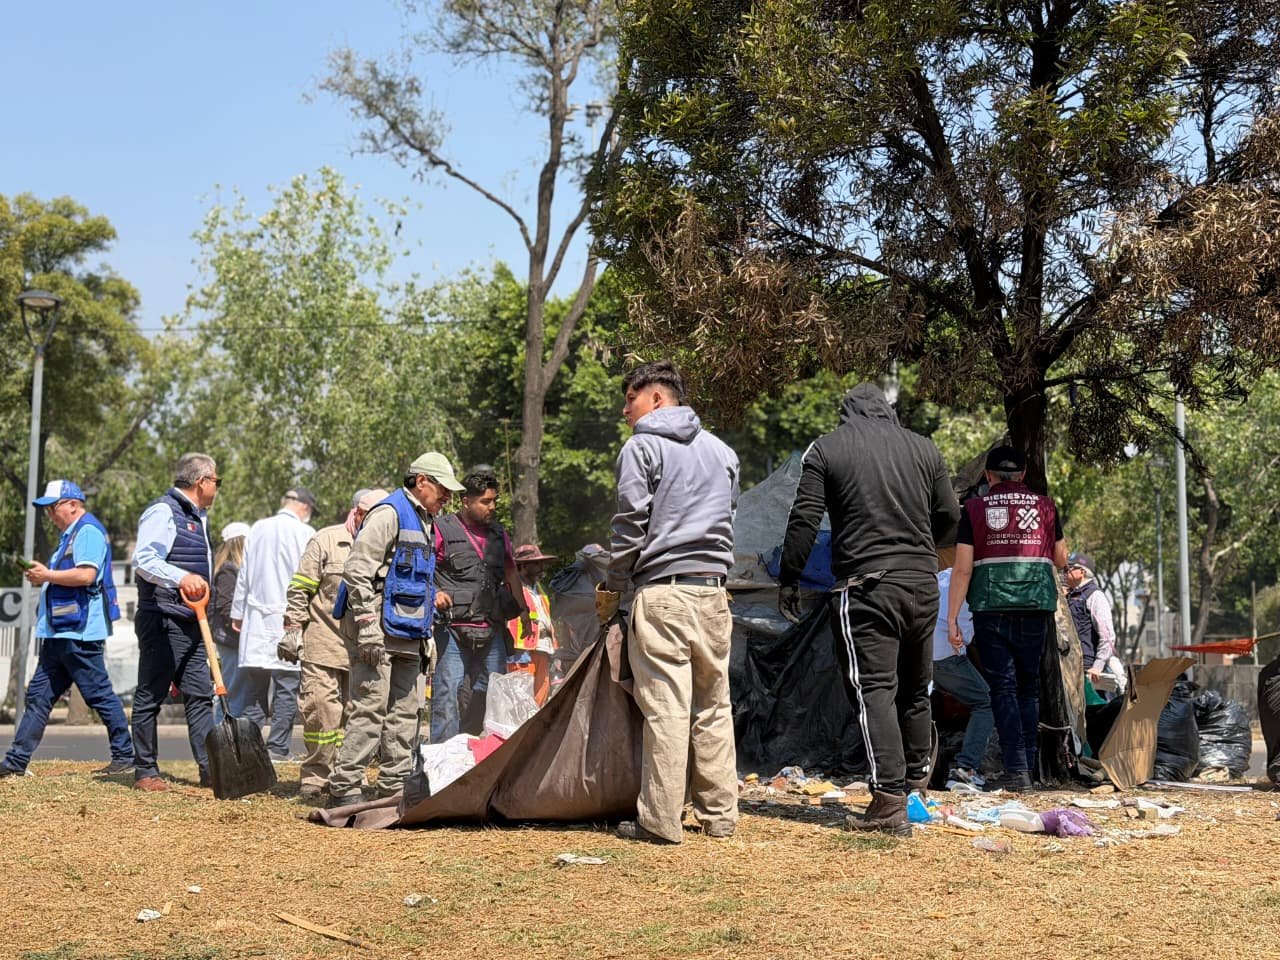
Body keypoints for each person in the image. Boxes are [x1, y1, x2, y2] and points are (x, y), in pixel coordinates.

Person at [780, 383, 960, 835]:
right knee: (916, 689)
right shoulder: (925, 448)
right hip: (921, 583)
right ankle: (916, 786)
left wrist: (790, 576)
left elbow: (804, 518)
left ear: (847, 414)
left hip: (867, 587)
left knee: (874, 690)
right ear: (887, 411)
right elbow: (950, 515)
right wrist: (922, 550)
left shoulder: (827, 449)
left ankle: (887, 802)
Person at [599, 359, 740, 845]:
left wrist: (615, 584)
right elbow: (729, 517)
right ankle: (720, 815)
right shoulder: (723, 452)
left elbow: (629, 524)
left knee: (667, 708)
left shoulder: (641, 448)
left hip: (664, 593)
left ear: (657, 398)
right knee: (714, 706)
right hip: (715, 593)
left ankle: (660, 821)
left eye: (630, 400)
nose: (625, 411)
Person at [327, 454, 464, 807]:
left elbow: (420, 582)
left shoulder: (425, 520)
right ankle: (345, 787)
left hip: (407, 631)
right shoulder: (389, 513)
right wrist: (367, 627)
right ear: (421, 482)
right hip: (376, 627)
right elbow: (357, 571)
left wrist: (426, 634)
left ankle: (394, 784)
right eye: (443, 488)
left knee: (406, 711)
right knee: (369, 708)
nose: (447, 497)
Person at [947, 445, 1069, 794]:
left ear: (988, 476)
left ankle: (1017, 770)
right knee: (1028, 689)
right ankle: (1026, 766)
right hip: (1035, 606)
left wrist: (953, 616)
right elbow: (1061, 559)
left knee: (1003, 688)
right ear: (1023, 475)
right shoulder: (1045, 507)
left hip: (991, 608)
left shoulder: (973, 509)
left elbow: (963, 568)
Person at [0, 480, 133, 779]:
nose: (49, 514)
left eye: (52, 507)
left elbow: (86, 575)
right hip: (60, 633)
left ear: (73, 504)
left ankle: (125, 756)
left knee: (99, 695)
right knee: (38, 698)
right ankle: (15, 763)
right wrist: (44, 577)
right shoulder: (69, 535)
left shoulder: (87, 531)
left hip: (80, 633)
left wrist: (46, 574)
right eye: (46, 509)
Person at [280, 487, 387, 798]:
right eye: (370, 515)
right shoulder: (326, 540)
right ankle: (316, 777)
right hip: (324, 644)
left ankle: (348, 776)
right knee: (320, 714)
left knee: (359, 715)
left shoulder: (385, 546)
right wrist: (293, 628)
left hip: (365, 649)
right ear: (356, 513)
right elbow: (300, 587)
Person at [130, 452, 221, 791]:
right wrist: (181, 577)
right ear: (202, 482)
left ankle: (210, 769)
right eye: (217, 481)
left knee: (199, 696)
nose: (217, 488)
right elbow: (144, 560)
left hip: (192, 620)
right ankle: (146, 772)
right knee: (150, 695)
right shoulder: (163, 511)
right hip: (162, 618)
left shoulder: (198, 517)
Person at [430, 465, 530, 743]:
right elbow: (424, 569)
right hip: (452, 629)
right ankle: (443, 763)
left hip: (492, 628)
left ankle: (477, 748)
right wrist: (433, 593)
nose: (492, 506)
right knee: (447, 694)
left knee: (494, 693)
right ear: (466, 501)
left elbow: (511, 573)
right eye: (485, 501)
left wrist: (523, 612)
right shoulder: (441, 528)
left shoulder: (500, 535)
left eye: (494, 500)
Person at [229, 487, 317, 760]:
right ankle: (277, 748)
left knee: (255, 690)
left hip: (257, 619)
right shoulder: (307, 533)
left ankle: (251, 749)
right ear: (304, 507)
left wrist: (237, 611)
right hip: (289, 620)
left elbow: (244, 573)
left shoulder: (258, 528)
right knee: (287, 689)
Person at [933, 546, 993, 792]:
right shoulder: (974, 589)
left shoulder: (942, 576)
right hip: (945, 656)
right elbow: (963, 639)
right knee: (986, 702)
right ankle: (966, 769)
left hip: (919, 652)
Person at [506, 543, 559, 706]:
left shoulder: (539, 589)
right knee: (521, 698)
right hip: (521, 650)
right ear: (522, 566)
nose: (541, 567)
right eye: (536, 563)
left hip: (543, 647)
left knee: (540, 698)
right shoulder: (511, 588)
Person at [1064, 552, 1124, 693]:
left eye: (1070, 568)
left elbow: (1108, 636)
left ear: (1082, 572)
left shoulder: (1095, 596)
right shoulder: (1070, 595)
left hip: (1090, 672)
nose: (1065, 572)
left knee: (1094, 712)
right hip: (1073, 667)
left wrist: (1097, 666)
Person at [210, 522, 250, 724]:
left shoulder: (234, 569)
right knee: (232, 690)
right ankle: (222, 730)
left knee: (238, 690)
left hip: (236, 640)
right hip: (231, 640)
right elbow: (226, 606)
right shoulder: (228, 569)